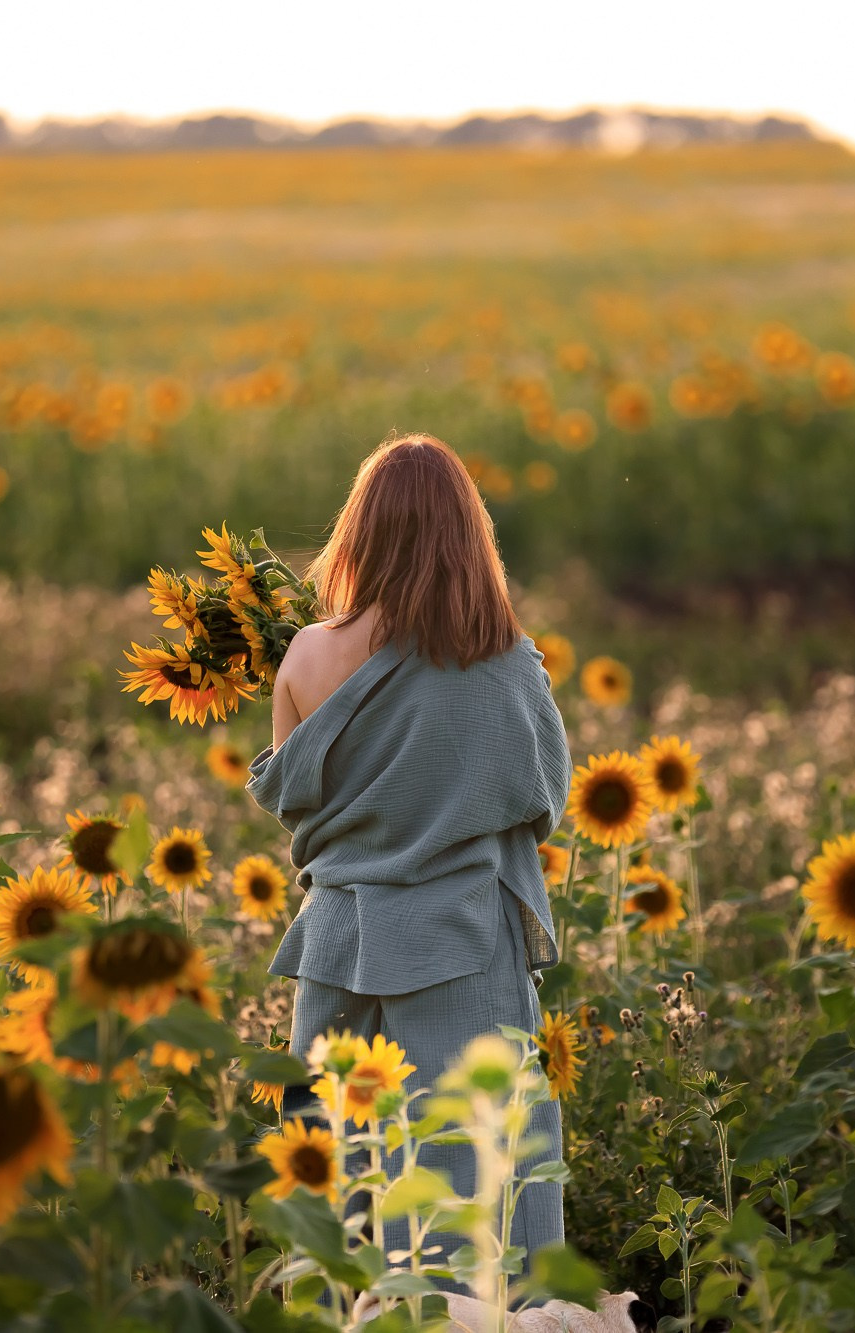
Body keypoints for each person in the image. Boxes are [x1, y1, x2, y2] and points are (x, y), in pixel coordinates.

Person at [246, 431, 573, 1281]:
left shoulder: (307, 653)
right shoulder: (502, 661)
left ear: (358, 531)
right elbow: (543, 797)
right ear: (469, 535)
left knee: (338, 1199)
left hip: (336, 945)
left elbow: (294, 802)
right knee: (479, 1194)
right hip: (459, 945)